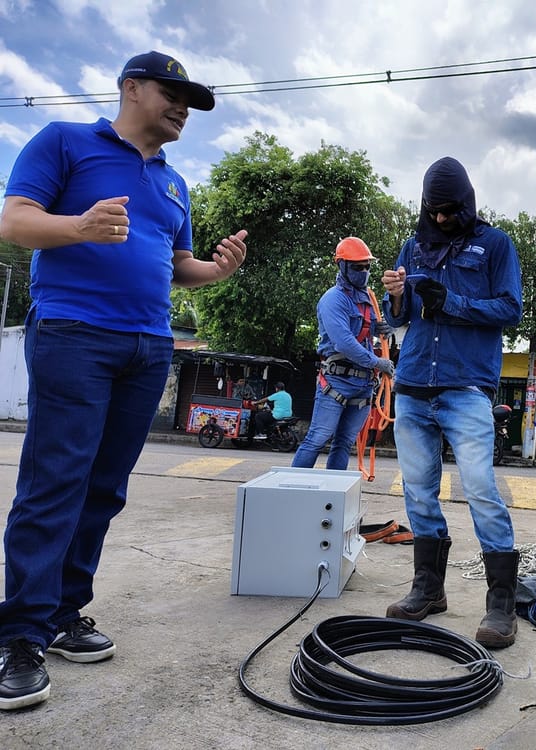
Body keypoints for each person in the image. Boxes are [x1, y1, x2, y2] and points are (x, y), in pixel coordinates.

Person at [0, 51, 248, 711]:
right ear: (131, 88)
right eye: (172, 93)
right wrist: (77, 227)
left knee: (104, 488)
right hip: (74, 334)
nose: (182, 109)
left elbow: (176, 265)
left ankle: (62, 614)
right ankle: (18, 633)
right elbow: (14, 219)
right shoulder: (65, 143)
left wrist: (214, 271)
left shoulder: (173, 184)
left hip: (148, 345)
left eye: (190, 101)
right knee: (55, 481)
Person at [381, 157, 523, 649]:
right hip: (415, 380)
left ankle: (501, 604)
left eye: (449, 211)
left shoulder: (495, 245)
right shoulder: (413, 245)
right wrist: (396, 296)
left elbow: (510, 308)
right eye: (432, 211)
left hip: (466, 387)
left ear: (466, 203)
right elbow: (399, 316)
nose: (440, 220)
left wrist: (454, 304)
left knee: (481, 488)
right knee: (418, 491)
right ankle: (429, 589)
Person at [291, 237, 395, 470]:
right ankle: (293, 490)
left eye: (367, 266)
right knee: (317, 438)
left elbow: (362, 332)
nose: (364, 271)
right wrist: (378, 362)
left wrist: (377, 328)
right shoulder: (333, 300)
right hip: (336, 382)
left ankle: (332, 497)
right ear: (343, 266)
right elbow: (344, 342)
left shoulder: (367, 299)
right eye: (358, 267)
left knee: (344, 443)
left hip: (363, 384)